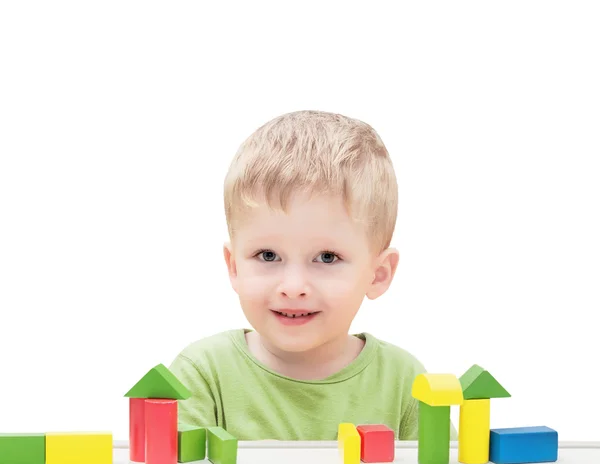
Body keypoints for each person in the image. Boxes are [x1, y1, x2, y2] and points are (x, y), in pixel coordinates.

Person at [169, 109, 457, 440]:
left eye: (326, 257)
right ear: (234, 267)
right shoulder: (202, 375)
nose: (293, 288)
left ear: (377, 275)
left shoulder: (405, 384)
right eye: (268, 255)